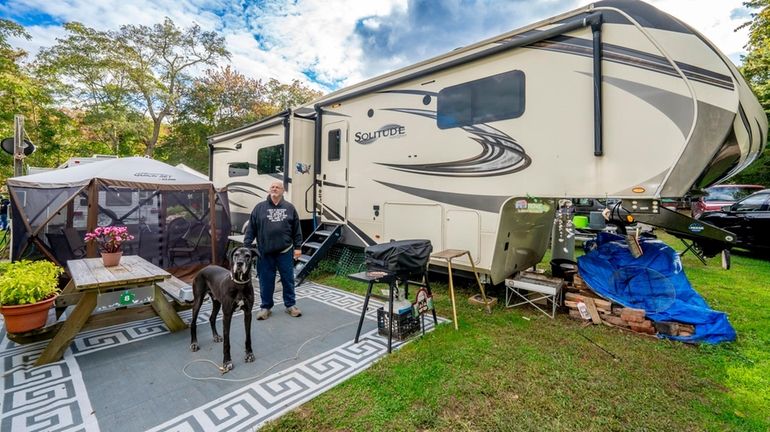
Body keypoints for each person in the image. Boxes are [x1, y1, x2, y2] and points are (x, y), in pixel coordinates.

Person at [243, 181, 303, 319]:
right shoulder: (259, 208)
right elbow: (251, 228)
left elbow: (296, 229)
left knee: (288, 279)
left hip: (285, 251)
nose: (275, 189)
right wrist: (246, 247)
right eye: (272, 187)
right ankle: (265, 307)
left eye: (278, 187)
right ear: (269, 190)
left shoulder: (290, 208)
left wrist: (298, 247)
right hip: (265, 252)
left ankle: (290, 305)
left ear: (283, 191)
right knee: (266, 280)